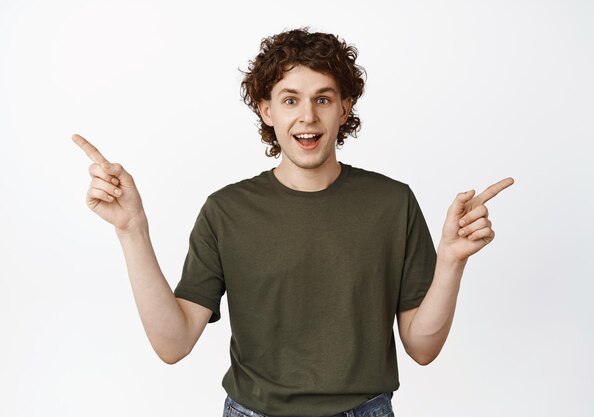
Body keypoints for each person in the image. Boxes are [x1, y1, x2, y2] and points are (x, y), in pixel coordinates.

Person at [73, 27, 513, 417]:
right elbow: (173, 344)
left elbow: (422, 347)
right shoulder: (226, 211)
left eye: (323, 98)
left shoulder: (392, 203)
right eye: (290, 100)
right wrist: (132, 230)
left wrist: (452, 261)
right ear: (267, 111)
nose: (307, 116)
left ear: (344, 108)